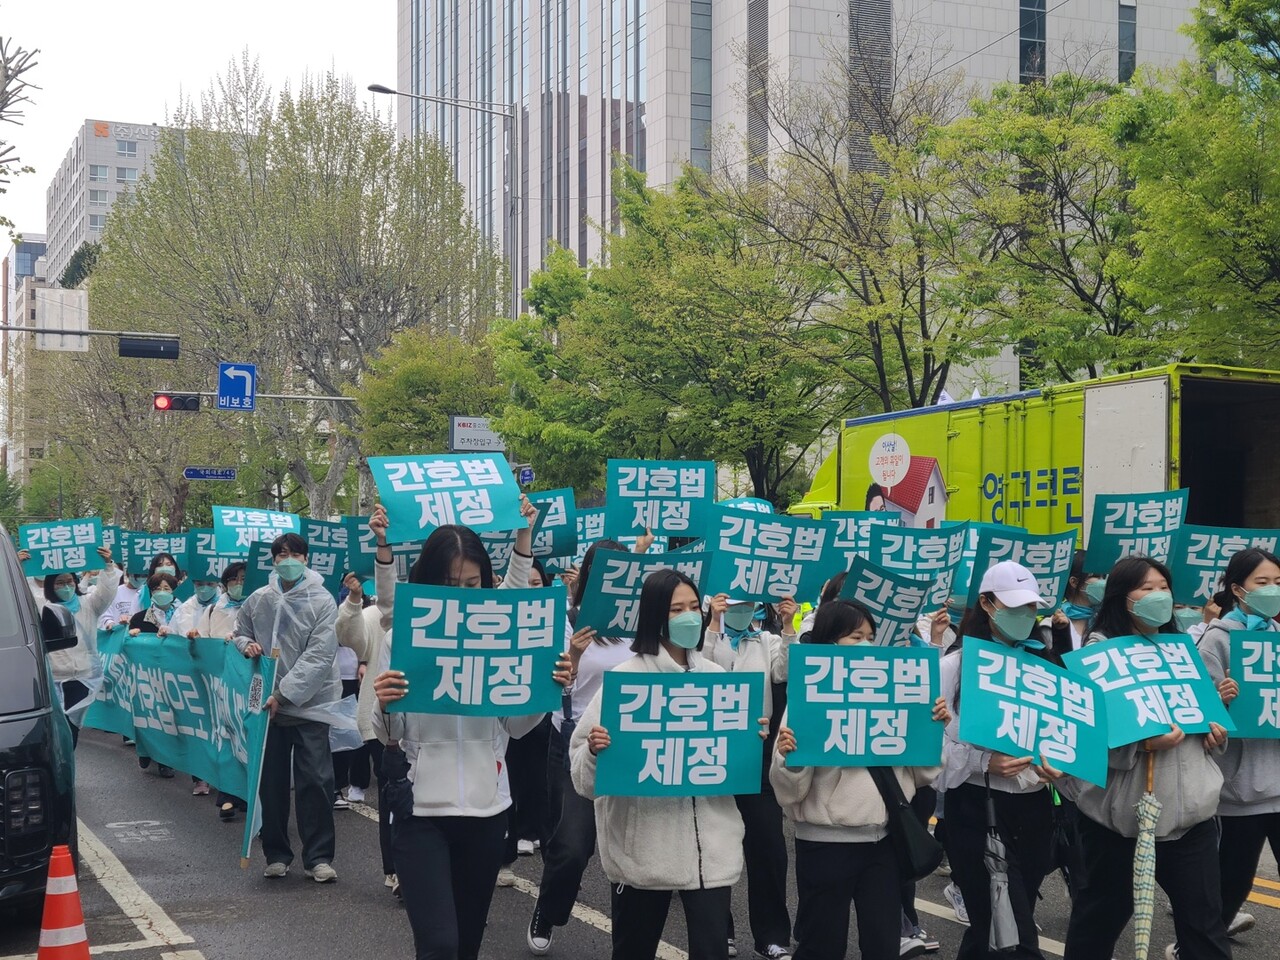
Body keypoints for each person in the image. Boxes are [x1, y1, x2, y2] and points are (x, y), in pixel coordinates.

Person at [372, 497, 574, 960]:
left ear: (487, 584)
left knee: (465, 945)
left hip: (487, 814)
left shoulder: (498, 638)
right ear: (426, 584)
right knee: (439, 944)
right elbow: (390, 732)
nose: (461, 593)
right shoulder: (398, 637)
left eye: (471, 583)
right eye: (448, 584)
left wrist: (542, 692)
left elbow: (517, 729)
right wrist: (387, 703)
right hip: (421, 814)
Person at [571, 569, 768, 960]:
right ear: (655, 617)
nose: (690, 616)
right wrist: (595, 752)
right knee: (633, 950)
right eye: (677, 609)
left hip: (711, 852)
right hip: (642, 856)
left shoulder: (718, 680)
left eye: (694, 606)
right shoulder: (623, 683)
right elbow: (581, 777)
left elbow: (734, 766)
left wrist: (749, 740)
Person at [1062, 555, 1230, 960]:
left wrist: (1214, 730)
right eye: (1147, 589)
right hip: (1119, 823)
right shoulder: (1097, 655)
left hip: (1190, 817)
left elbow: (1203, 724)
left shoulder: (1183, 650)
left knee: (1204, 929)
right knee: (1098, 925)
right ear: (1123, 598)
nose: (1159, 597)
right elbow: (1082, 738)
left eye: (1164, 588)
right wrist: (1139, 745)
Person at [772, 599, 949, 960]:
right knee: (822, 945)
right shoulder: (810, 694)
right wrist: (790, 759)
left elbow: (922, 775)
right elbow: (789, 791)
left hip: (883, 841)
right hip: (825, 843)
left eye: (870, 636)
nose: (866, 643)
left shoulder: (895, 694)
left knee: (884, 945)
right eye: (856, 636)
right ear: (831, 641)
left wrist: (932, 733)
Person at [939, 560, 1064, 960]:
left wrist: (1057, 765)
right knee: (1015, 939)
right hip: (978, 810)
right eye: (1015, 606)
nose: (1026, 616)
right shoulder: (953, 667)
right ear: (988, 605)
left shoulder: (1044, 667)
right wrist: (982, 763)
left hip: (1035, 809)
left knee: (997, 926)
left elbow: (1065, 735)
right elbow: (928, 750)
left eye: (1032, 608)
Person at [529, 539, 644, 954]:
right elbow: (555, 685)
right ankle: (549, 907)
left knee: (631, 850)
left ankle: (631, 941)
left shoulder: (641, 622)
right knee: (573, 846)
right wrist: (575, 656)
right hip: (577, 740)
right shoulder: (568, 619)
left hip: (631, 745)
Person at [234, 533, 341, 884]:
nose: (288, 559)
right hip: (267, 706)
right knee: (271, 783)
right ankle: (277, 853)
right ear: (273, 560)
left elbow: (319, 656)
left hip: (308, 704)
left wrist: (283, 694)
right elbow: (239, 631)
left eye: (295, 553)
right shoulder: (259, 598)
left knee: (316, 780)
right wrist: (246, 644)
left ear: (306, 558)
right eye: (281, 554)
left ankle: (319, 857)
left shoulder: (322, 601)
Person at [1192, 547, 1280, 946]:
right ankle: (1194, 946)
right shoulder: (1216, 640)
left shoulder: (1277, 636)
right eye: (1262, 583)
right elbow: (1197, 712)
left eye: (1277, 582)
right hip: (1239, 791)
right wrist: (1221, 699)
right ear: (1238, 590)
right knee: (1233, 883)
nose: (1272, 590)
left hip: (1277, 780)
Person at [703, 595, 798, 960]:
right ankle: (720, 931)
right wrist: (714, 624)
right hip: (711, 751)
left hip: (757, 752)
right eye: (732, 604)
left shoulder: (767, 641)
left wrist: (789, 626)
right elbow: (701, 666)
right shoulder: (708, 639)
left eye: (747, 605)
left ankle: (771, 936)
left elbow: (785, 672)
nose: (739, 611)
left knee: (769, 847)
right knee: (714, 845)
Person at [337, 511, 397, 892]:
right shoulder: (376, 614)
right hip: (384, 721)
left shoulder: (456, 616)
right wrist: (355, 601)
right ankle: (396, 871)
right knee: (392, 798)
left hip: (431, 725)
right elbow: (348, 636)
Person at [499, 558, 557, 882]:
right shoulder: (500, 620)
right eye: (527, 582)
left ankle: (548, 858)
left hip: (543, 715)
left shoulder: (556, 619)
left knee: (541, 785)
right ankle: (503, 855)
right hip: (505, 714)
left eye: (537, 584)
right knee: (507, 782)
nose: (532, 589)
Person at [33, 546, 121, 746]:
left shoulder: (89, 604)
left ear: (75, 582)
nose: (66, 586)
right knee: (54, 727)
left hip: (82, 677)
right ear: (50, 586)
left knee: (71, 727)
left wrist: (108, 565)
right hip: (52, 678)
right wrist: (20, 567)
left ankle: (66, 766)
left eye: (69, 581)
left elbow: (106, 593)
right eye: (59, 583)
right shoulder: (42, 606)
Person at [185, 561, 251, 820]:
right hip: (223, 684)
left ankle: (249, 794)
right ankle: (227, 795)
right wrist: (195, 637)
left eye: (244, 578)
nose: (239, 584)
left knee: (249, 736)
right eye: (234, 579)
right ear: (224, 584)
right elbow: (201, 641)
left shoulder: (260, 605)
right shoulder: (214, 610)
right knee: (226, 734)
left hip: (251, 683)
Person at [331, 572, 370, 812]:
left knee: (357, 732)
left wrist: (364, 662)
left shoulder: (365, 612)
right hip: (331, 680)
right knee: (335, 734)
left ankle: (355, 783)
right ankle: (334, 786)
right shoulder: (327, 608)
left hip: (356, 679)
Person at [1048, 551, 1105, 656]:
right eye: (1096, 576)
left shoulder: (1106, 622)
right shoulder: (1051, 625)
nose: (1103, 582)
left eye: (1104, 577)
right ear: (1074, 582)